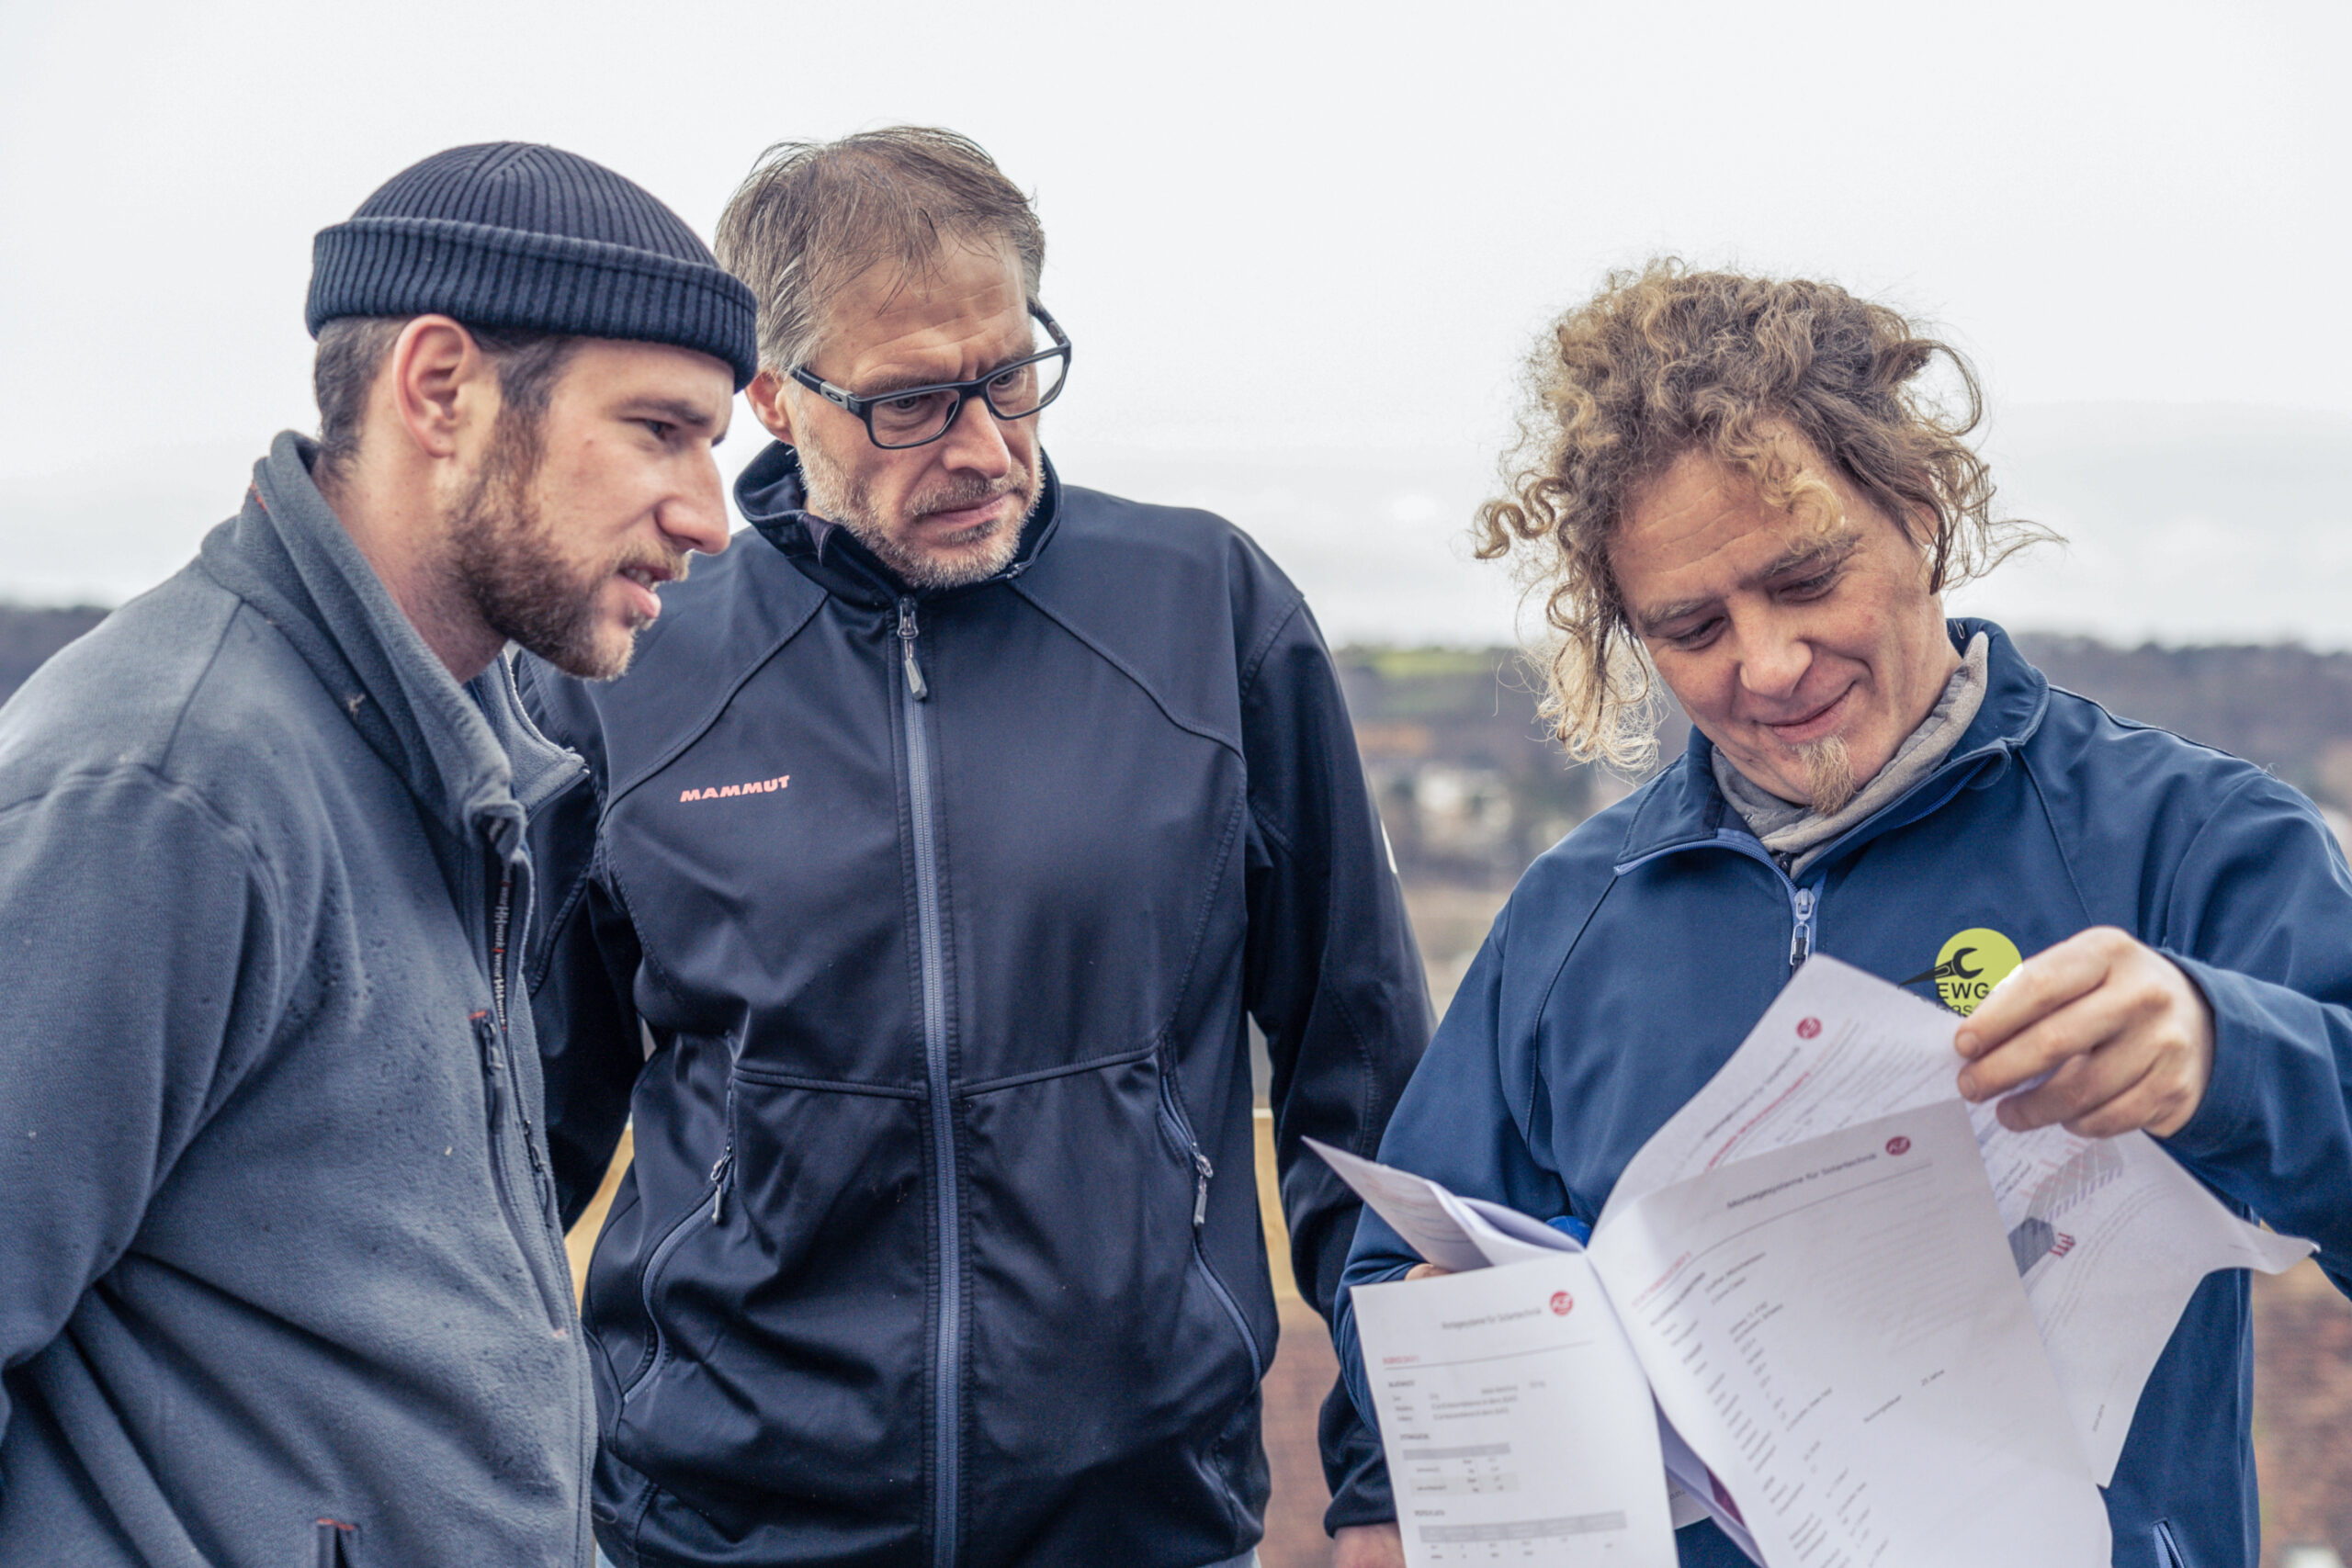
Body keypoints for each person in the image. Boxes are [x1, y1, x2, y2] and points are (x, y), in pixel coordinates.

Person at [1336, 263, 2352, 1568]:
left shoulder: (2189, 841)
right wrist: (1477, 1347)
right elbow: (1394, 1282)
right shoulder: (1571, 918)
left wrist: (2226, 1054)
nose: (1766, 665)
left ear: (1919, 514)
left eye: (1807, 580)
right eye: (1692, 626)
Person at [520, 127, 1430, 1568]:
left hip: (1142, 1526)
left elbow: (1365, 1084)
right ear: (774, 397)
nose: (985, 446)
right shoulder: (636, 657)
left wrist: (1389, 1487)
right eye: (911, 403)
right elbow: (521, 1137)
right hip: (709, 1529)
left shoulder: (1208, 612)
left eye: (1009, 377)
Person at [0, 141, 753, 1567]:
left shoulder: (449, 772)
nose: (712, 514)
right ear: (441, 388)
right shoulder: (173, 786)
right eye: (662, 430)